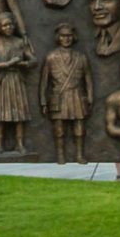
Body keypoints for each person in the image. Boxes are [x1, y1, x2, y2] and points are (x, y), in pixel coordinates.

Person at [40, 24, 95, 164]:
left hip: (77, 95)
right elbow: (44, 81)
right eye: (63, 36)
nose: (66, 39)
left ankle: (79, 155)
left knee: (79, 127)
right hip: (59, 95)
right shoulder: (51, 57)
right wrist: (43, 101)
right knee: (59, 128)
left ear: (73, 37)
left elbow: (88, 78)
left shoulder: (81, 57)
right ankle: (60, 155)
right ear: (58, 37)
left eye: (69, 35)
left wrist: (90, 96)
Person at [0, 11, 33, 155]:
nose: (9, 27)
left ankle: (19, 144)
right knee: (0, 114)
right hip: (1, 81)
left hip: (16, 80)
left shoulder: (19, 42)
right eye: (5, 25)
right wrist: (7, 64)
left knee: (19, 114)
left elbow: (33, 60)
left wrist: (23, 64)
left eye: (11, 24)